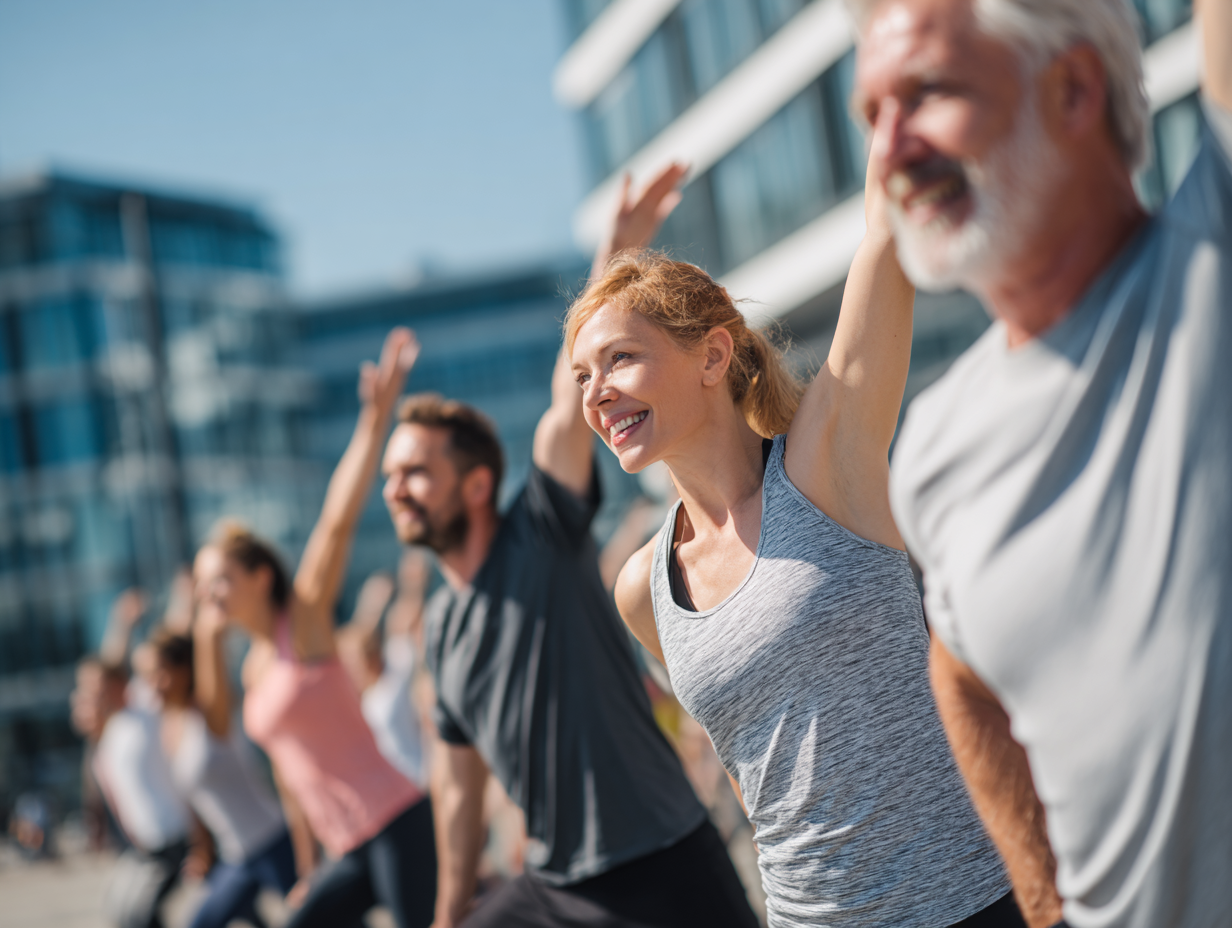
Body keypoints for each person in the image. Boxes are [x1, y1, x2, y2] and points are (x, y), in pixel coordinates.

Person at [568, 106, 1019, 925]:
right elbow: (750, 767)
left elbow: (884, 245)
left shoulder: (825, 466)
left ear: (712, 354)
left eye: (620, 360)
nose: (595, 393)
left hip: (975, 896)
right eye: (581, 377)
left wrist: (902, 102)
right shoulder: (644, 588)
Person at [845, 0, 1232, 925]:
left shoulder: (1214, 256)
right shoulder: (933, 450)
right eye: (871, 115)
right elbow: (962, 668)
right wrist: (1044, 898)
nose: (891, 149)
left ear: (1073, 89)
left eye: (928, 94)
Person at [379, 167, 758, 928]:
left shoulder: (540, 534)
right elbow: (457, 785)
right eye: (390, 476)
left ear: (478, 485)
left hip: (664, 862)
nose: (397, 490)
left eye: (416, 472)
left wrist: (616, 250)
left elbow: (568, 399)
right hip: (554, 888)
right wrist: (449, 909)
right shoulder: (443, 633)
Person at [192, 327, 435, 928]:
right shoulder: (251, 666)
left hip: (398, 820)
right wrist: (306, 869)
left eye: (218, 580)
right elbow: (289, 775)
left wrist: (373, 423)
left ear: (256, 577)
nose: (209, 596)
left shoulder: (300, 626)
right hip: (344, 846)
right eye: (201, 587)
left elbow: (334, 522)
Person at [146, 621, 298, 928]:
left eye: (160, 672)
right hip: (237, 858)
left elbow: (208, 643)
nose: (153, 684)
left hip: (273, 842)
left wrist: (207, 624)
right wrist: (201, 848)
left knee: (328, 920)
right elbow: (194, 799)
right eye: (148, 675)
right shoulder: (171, 727)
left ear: (185, 670)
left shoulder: (213, 712)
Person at [70, 657, 194, 928]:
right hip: (147, 843)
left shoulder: (146, 700)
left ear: (117, 683)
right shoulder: (113, 727)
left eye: (96, 686)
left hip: (177, 834)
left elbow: (117, 657)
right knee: (126, 911)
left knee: (143, 915)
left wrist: (123, 624)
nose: (92, 693)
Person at [336, 559, 429, 790]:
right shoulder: (362, 695)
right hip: (397, 790)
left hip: (422, 778)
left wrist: (412, 587)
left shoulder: (394, 672)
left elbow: (403, 624)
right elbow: (353, 642)